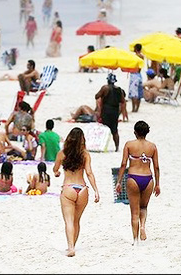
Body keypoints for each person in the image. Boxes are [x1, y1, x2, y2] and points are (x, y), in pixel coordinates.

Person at [52, 127, 100, 257]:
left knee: (68, 221)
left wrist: (57, 173)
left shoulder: (62, 154)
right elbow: (89, 173)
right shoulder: (85, 154)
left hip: (68, 188)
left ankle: (71, 247)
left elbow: (55, 169)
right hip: (82, 189)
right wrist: (96, 190)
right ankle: (73, 244)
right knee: (76, 221)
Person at [115, 120, 161, 245]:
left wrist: (118, 182)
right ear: (147, 132)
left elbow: (124, 164)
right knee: (144, 207)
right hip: (148, 178)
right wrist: (157, 184)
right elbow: (156, 167)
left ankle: (135, 241)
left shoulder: (129, 145)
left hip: (133, 178)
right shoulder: (152, 146)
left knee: (134, 212)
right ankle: (143, 227)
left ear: (135, 132)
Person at [95, 73, 126, 151]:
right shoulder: (119, 89)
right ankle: (117, 147)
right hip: (115, 111)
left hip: (106, 110)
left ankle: (101, 145)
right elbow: (122, 101)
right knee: (115, 130)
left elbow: (97, 96)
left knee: (103, 128)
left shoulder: (105, 88)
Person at [129, 43, 144, 113]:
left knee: (133, 93)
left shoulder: (135, 56)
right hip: (139, 74)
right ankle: (137, 108)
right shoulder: (142, 56)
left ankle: (133, 108)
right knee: (139, 92)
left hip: (134, 75)